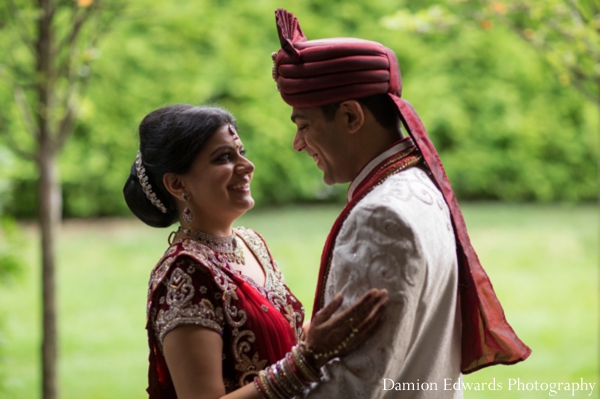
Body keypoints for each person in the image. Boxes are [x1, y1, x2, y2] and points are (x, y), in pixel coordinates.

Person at [270, 9, 532, 398]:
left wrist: (269, 383)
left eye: (304, 125)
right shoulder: (419, 185)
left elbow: (351, 387)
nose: (297, 143)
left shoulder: (380, 215)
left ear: (350, 116)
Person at [122, 104, 389, 399]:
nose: (247, 166)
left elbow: (278, 343)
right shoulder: (185, 274)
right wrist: (310, 359)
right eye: (223, 157)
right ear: (176, 183)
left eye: (241, 152)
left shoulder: (253, 243)